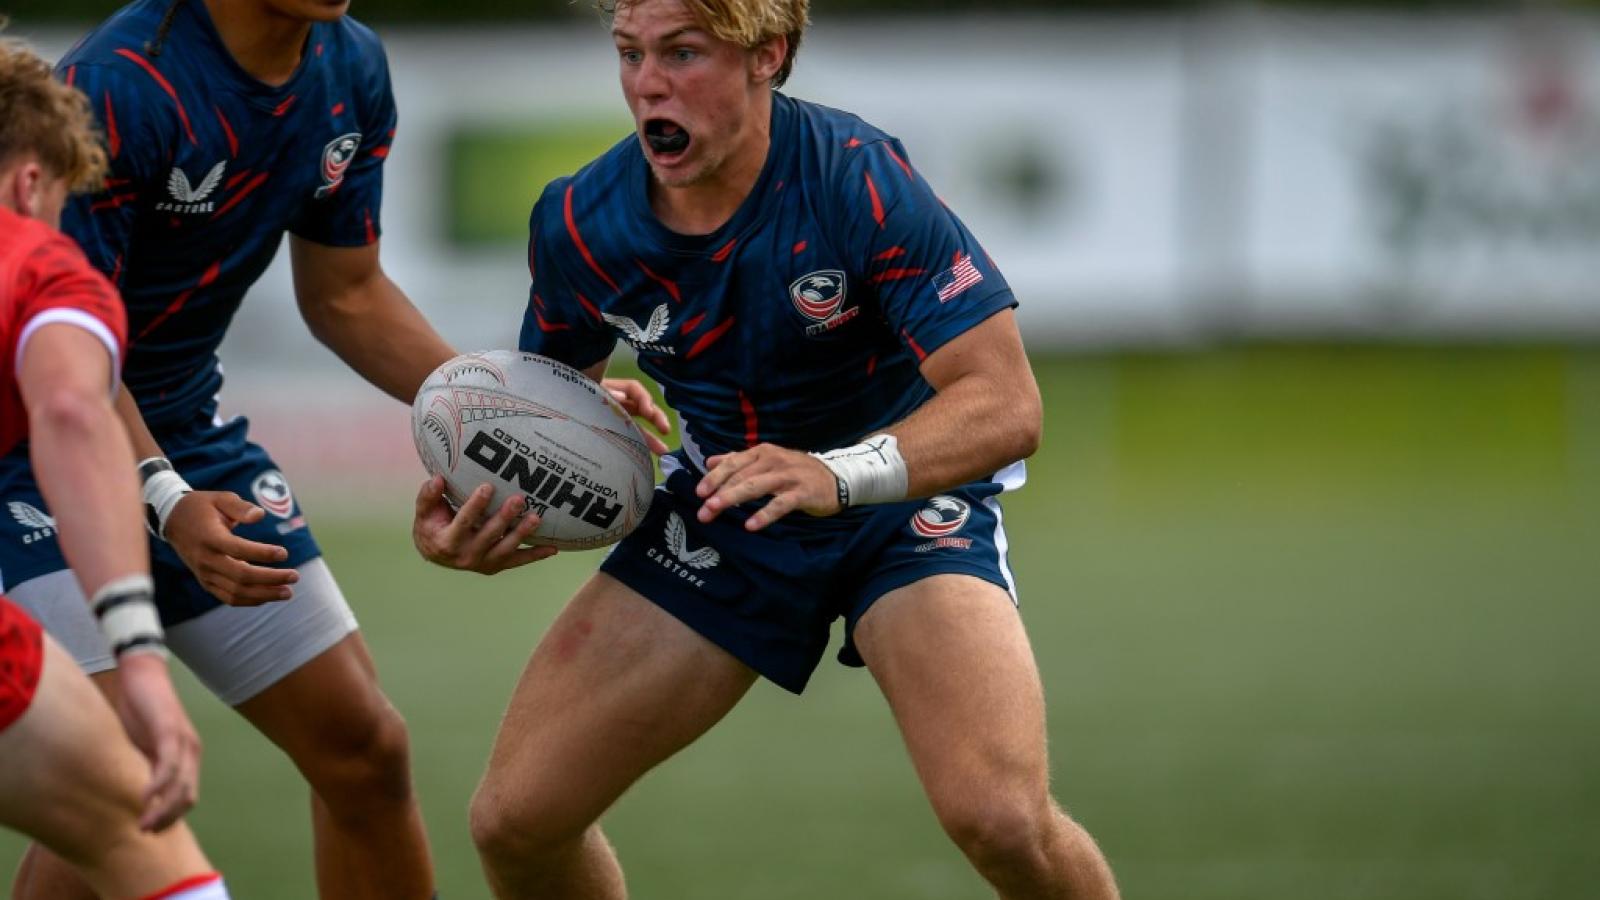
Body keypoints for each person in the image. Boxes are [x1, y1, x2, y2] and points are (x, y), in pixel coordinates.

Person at [412, 0, 1123, 897]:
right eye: (630, 53)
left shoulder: (855, 178)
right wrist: (482, 514)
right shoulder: (580, 222)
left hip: (900, 509)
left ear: (767, 54)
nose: (649, 84)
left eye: (683, 53)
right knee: (515, 823)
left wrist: (835, 473)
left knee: (1002, 820)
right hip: (726, 510)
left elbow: (1005, 403)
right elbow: (548, 408)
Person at [10, 2, 668, 893]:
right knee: (111, 784)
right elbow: (63, 357)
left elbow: (346, 295)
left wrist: (517, 416)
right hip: (33, 441)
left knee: (364, 750)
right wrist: (165, 499)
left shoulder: (349, 65)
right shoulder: (121, 88)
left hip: (185, 430)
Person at [0, 30, 232, 900]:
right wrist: (137, 654)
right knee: (143, 831)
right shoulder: (40, 263)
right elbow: (71, 411)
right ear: (32, 183)